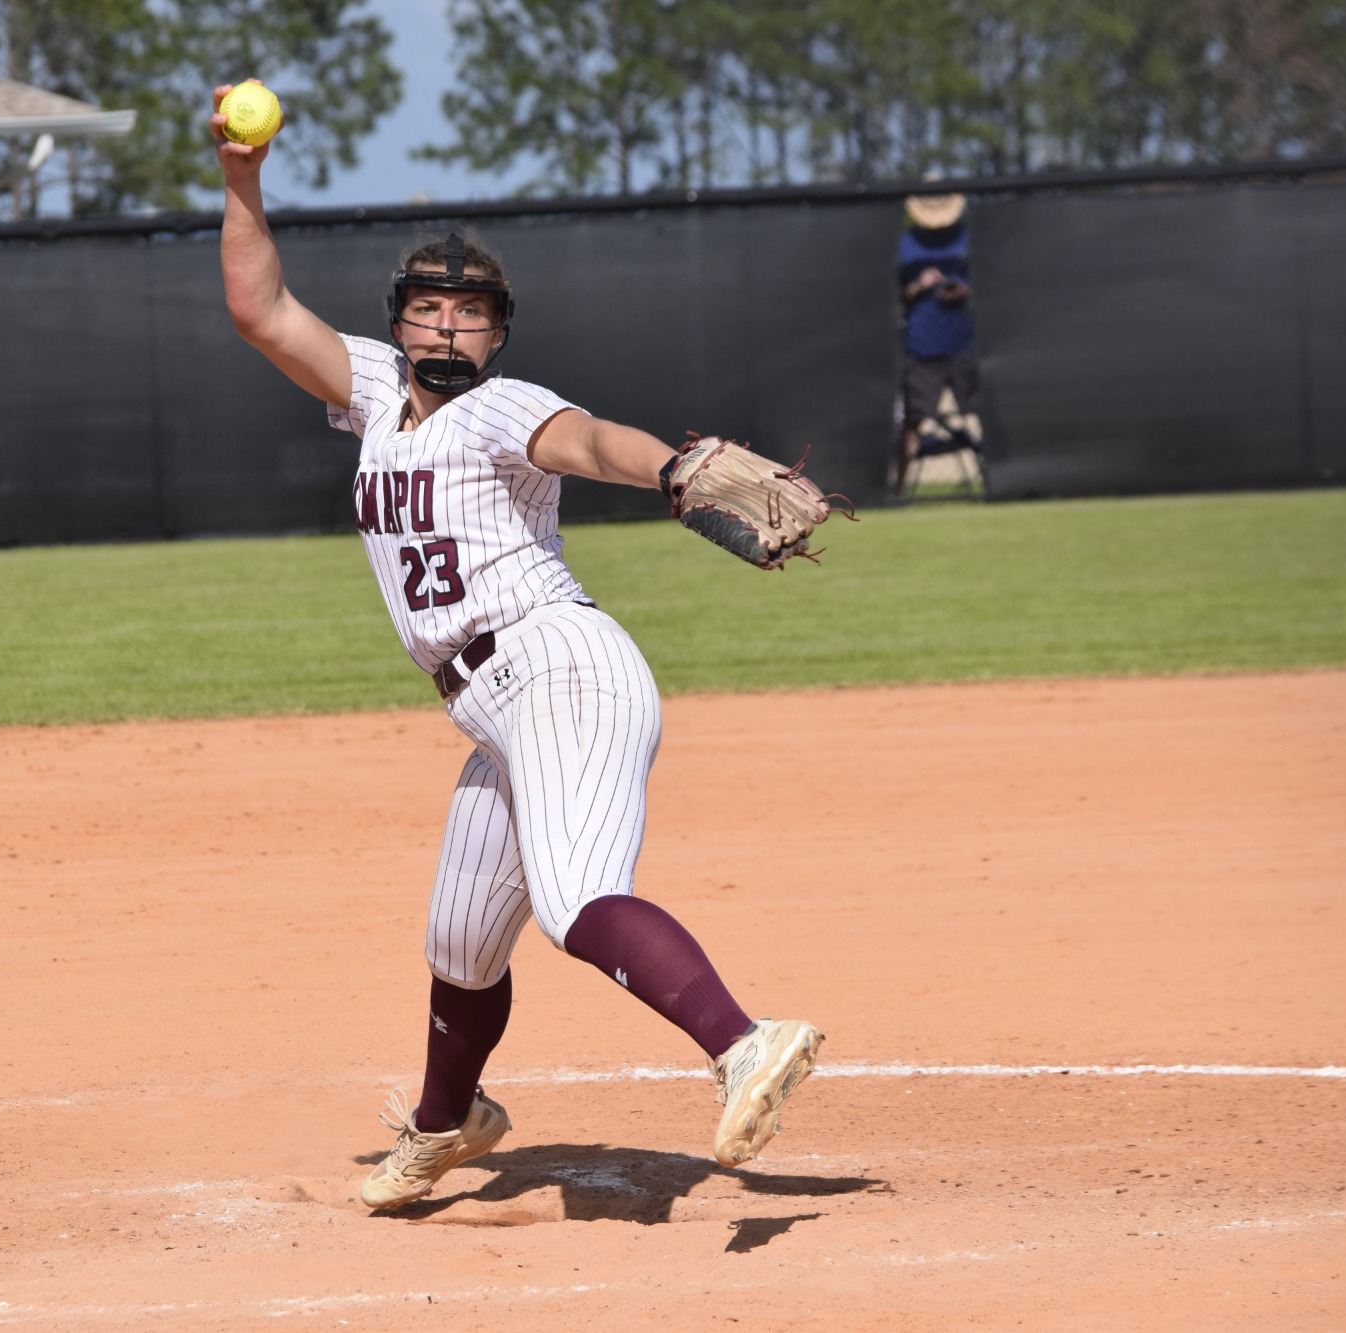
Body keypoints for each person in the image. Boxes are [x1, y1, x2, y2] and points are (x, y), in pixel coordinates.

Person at [210, 84, 823, 1212]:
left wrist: (672, 469)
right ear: (399, 322)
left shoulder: (500, 408)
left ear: (497, 334)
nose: (447, 328)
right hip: (489, 704)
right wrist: (241, 179)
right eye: (428, 309)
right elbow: (260, 310)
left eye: (470, 313)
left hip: (559, 669)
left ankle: (742, 1043)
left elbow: (585, 439)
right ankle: (447, 1123)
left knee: (577, 898)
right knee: (459, 940)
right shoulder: (371, 394)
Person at [893, 182, 982, 494]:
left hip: (964, 342)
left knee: (981, 413)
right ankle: (897, 492)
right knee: (912, 421)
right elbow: (895, 293)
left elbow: (986, 283)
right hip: (920, 346)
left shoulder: (967, 237)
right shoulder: (906, 243)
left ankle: (994, 483)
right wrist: (919, 285)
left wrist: (962, 290)